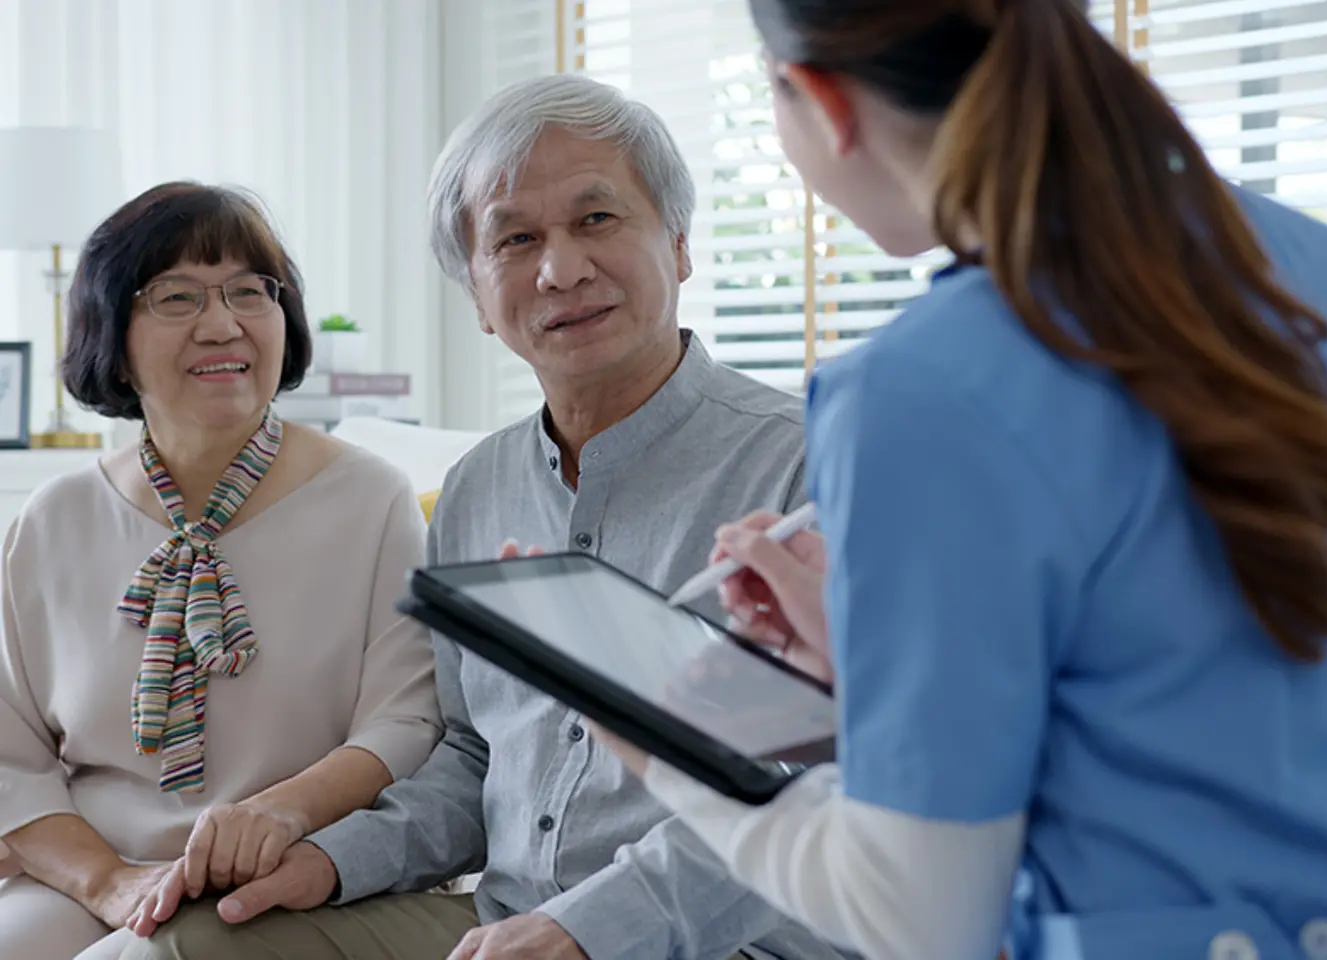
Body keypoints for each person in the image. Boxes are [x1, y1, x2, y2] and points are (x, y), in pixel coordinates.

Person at [591, 1, 1327, 959]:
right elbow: (1239, 678)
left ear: (825, 103)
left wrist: (668, 755)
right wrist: (895, 681)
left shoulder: (922, 388)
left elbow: (919, 919)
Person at [122, 75, 854, 960]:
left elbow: (826, 788)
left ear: (681, 242)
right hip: (499, 920)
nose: (561, 269)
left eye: (596, 220)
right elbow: (477, 756)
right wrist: (330, 858)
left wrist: (586, 930)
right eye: (514, 239)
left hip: (739, 939)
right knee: (193, 943)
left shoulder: (813, 464)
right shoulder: (478, 487)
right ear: (475, 293)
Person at [0, 182, 443, 960]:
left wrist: (275, 815)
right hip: (94, 868)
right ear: (114, 335)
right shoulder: (54, 520)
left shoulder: (372, 501)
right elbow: (12, 755)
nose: (222, 324)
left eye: (249, 291)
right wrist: (106, 879)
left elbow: (406, 723)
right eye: (177, 297)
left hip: (286, 872)